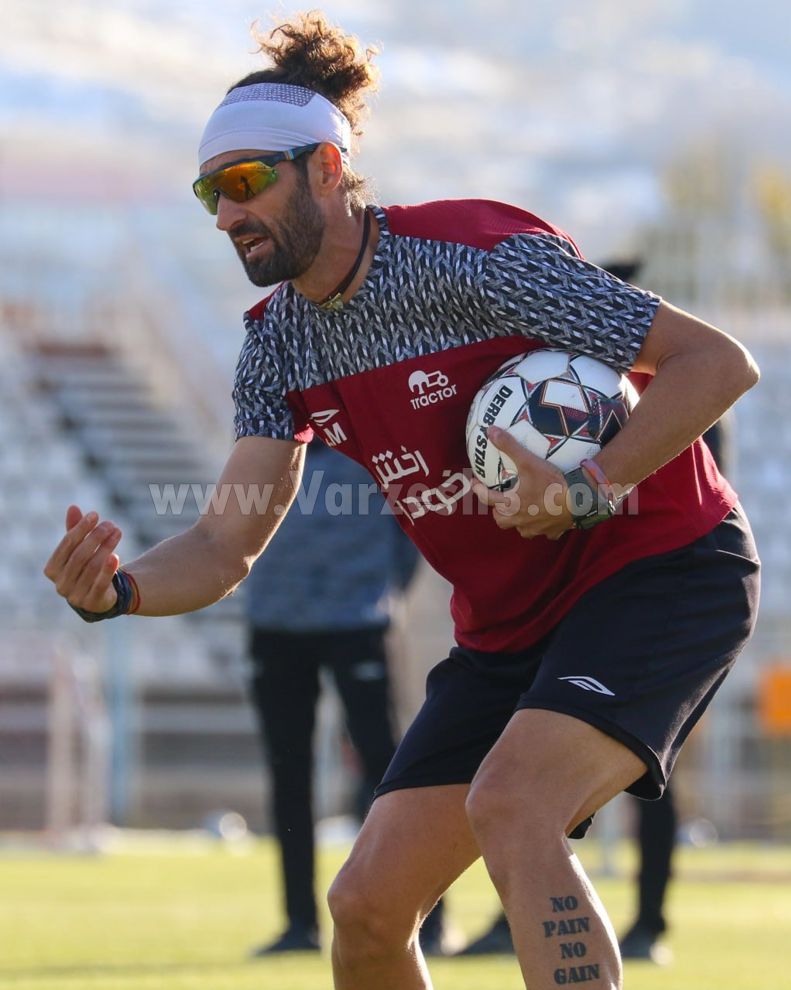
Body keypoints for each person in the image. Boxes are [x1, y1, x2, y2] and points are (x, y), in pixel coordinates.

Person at [44, 12, 760, 990]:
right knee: (367, 910)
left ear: (329, 169)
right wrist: (117, 591)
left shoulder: (476, 257)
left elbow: (713, 364)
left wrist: (591, 486)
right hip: (508, 630)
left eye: (248, 181)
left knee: (513, 806)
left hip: (663, 573)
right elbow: (222, 544)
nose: (224, 213)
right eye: (211, 190)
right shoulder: (278, 344)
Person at [244, 437, 419, 954]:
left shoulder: (370, 443)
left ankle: (420, 915)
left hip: (357, 622)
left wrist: (379, 596)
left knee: (387, 774)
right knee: (287, 773)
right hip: (274, 626)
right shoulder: (260, 448)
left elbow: (410, 539)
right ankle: (300, 923)